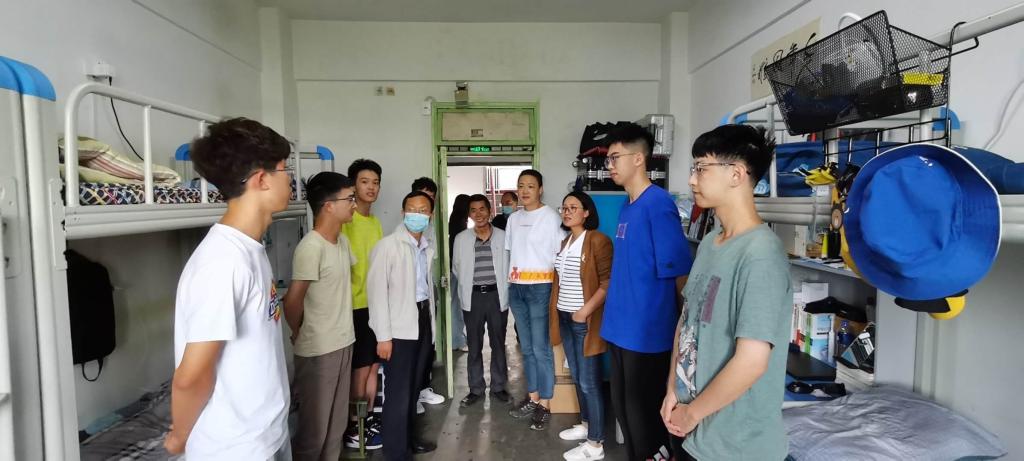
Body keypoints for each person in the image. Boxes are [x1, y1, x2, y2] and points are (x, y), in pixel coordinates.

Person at [164, 118, 293, 460]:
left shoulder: (250, 249)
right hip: (235, 448)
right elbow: (191, 375)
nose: (291, 179)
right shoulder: (222, 262)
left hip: (265, 435)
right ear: (261, 179)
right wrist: (179, 436)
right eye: (285, 170)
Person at [662, 125, 791, 461]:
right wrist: (672, 389)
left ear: (736, 174)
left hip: (734, 446)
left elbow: (752, 362)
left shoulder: (761, 254)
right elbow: (687, 321)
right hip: (692, 429)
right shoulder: (710, 243)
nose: (692, 180)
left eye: (701, 169)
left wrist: (692, 413)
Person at [600, 123, 692, 461]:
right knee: (624, 411)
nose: (609, 165)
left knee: (645, 422)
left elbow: (679, 273)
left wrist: (685, 329)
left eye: (615, 157)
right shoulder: (628, 205)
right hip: (618, 328)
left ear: (639, 158)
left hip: (647, 333)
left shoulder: (658, 204)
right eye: (608, 159)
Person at [283, 172, 358, 461]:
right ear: (328, 206)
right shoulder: (311, 247)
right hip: (318, 350)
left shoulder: (342, 242)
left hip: (343, 341)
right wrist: (299, 331)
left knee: (336, 426)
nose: (354, 204)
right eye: (349, 199)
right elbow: (292, 301)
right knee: (314, 432)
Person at [367, 191, 439, 460]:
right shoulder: (387, 246)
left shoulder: (425, 246)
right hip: (398, 328)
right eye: (412, 209)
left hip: (421, 319)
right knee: (398, 392)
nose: (417, 215)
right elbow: (376, 294)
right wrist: (383, 337)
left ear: (430, 215)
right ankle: (396, 452)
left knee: (413, 387)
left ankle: (408, 440)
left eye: (423, 210)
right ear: (403, 212)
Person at [548, 191, 612, 461]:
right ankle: (586, 425)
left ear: (586, 213)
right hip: (565, 318)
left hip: (583, 320)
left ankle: (596, 444)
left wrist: (584, 312)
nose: (567, 211)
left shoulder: (597, 240)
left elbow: (607, 282)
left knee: (589, 383)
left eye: (573, 207)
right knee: (577, 376)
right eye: (564, 207)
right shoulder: (566, 242)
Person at [505, 169, 564, 431]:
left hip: (541, 287)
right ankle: (533, 397)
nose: (525, 190)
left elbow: (559, 255)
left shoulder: (551, 217)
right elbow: (511, 253)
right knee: (526, 348)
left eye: (531, 186)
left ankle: (546, 404)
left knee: (541, 348)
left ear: (540, 189)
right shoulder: (513, 219)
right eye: (521, 185)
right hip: (517, 287)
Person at [341, 159, 385, 450]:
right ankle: (353, 426)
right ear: (353, 186)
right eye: (364, 182)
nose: (371, 187)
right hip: (354, 306)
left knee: (372, 367)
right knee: (359, 369)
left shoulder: (375, 222)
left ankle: (366, 421)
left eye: (375, 182)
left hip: (376, 305)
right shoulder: (347, 221)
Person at [452, 194, 512, 408]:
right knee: (474, 344)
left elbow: (510, 264)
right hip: (473, 296)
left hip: (496, 296)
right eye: (473, 210)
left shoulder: (504, 236)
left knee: (498, 343)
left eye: (482, 209)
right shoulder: (461, 239)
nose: (478, 214)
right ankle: (475, 389)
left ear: (490, 211)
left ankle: (499, 386)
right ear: (469, 214)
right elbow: (456, 268)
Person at [409, 177, 446, 411]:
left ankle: (422, 389)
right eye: (423, 196)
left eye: (431, 198)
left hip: (426, 293)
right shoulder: (402, 234)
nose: (426, 203)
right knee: (413, 349)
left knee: (426, 346)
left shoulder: (431, 227)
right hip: (410, 298)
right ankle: (412, 396)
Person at [448, 194, 472, 352]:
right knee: (457, 306)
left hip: (453, 268)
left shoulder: (455, 220)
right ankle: (457, 340)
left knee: (456, 305)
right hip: (455, 269)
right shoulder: (459, 223)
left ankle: (457, 338)